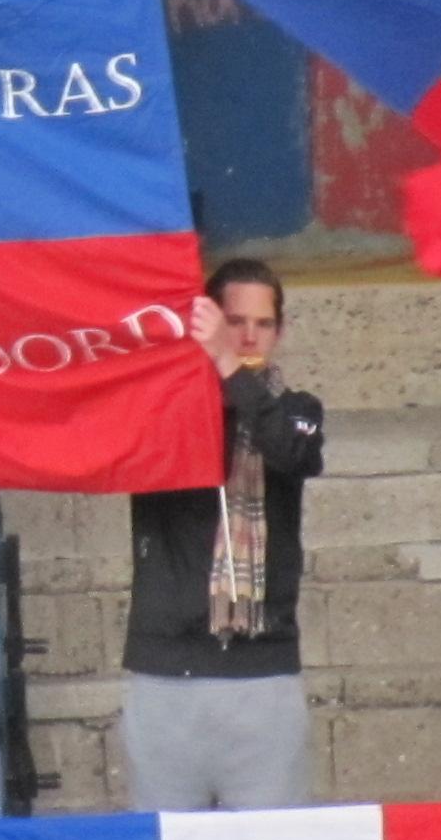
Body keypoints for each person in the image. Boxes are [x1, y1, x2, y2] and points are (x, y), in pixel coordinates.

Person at [115, 257, 330, 812]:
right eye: (235, 322)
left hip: (262, 675)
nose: (250, 335)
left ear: (280, 331)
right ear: (208, 323)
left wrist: (228, 365)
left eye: (263, 323)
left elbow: (291, 452)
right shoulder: (162, 408)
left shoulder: (297, 410)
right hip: (165, 675)